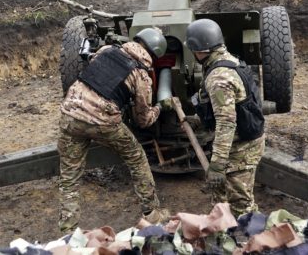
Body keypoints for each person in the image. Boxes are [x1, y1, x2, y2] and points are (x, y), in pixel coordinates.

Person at [57, 27, 170, 233]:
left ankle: (67, 230)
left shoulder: (106, 50)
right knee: (137, 159)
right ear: (153, 54)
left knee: (69, 176)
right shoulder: (141, 74)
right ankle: (152, 213)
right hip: (103, 121)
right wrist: (160, 108)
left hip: (70, 114)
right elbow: (143, 119)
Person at [185, 18, 265, 217]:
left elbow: (226, 122)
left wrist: (218, 165)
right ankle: (222, 232)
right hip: (237, 140)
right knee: (220, 200)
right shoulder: (228, 60)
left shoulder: (219, 78)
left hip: (241, 148)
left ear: (199, 48)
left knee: (241, 204)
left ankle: (252, 241)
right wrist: (198, 120)